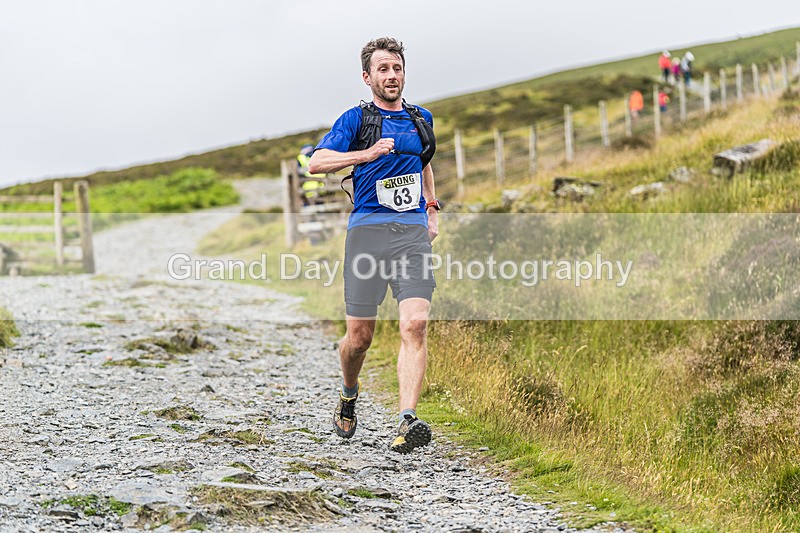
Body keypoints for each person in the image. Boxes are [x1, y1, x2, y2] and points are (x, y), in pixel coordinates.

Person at [308, 37, 439, 454]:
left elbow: (424, 161)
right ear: (368, 77)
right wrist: (364, 155)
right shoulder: (356, 120)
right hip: (366, 234)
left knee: (415, 324)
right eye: (382, 69)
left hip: (412, 236)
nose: (391, 75)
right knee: (359, 338)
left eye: (396, 67)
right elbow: (315, 163)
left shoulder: (421, 118)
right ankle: (349, 393)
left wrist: (432, 207)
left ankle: (406, 421)